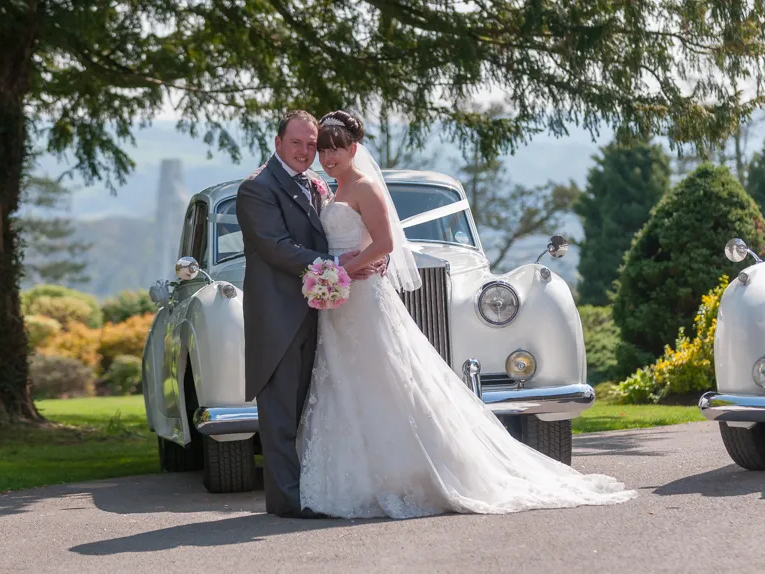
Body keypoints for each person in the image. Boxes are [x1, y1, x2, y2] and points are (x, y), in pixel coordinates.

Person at [296, 110, 638, 519]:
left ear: (354, 149)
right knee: (348, 384)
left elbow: (385, 243)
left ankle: (413, 471)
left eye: (337, 148)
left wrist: (341, 271)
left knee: (384, 380)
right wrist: (334, 273)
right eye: (324, 149)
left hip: (362, 296)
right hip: (341, 303)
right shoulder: (331, 191)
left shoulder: (365, 188)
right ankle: (355, 475)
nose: (329, 156)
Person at [235, 110, 384, 518]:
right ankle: (287, 501)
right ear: (278, 142)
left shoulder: (318, 184)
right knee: (281, 413)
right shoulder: (257, 188)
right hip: (280, 315)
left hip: (325, 311)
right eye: (296, 143)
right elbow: (276, 246)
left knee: (315, 409)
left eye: (310, 144)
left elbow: (345, 227)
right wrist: (341, 262)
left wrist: (370, 256)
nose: (305, 152)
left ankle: (317, 490)